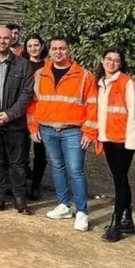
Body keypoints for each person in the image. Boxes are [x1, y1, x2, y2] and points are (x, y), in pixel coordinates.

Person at [28, 36, 98, 232]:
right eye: (54, 48)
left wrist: (89, 132)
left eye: (62, 48)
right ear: (49, 51)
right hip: (47, 129)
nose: (58, 52)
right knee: (57, 167)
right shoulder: (40, 74)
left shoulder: (84, 75)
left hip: (73, 131)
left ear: (69, 50)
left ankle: (82, 211)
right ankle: (64, 205)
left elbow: (93, 105)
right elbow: (33, 103)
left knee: (75, 170)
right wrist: (33, 127)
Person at [0, 27, 35, 215]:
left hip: (15, 123)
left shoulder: (23, 65)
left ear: (12, 40)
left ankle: (20, 198)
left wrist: (10, 114)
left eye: (6, 38)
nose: (2, 41)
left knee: (18, 163)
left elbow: (27, 93)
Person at [95, 48, 135, 242]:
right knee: (120, 178)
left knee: (119, 180)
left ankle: (116, 224)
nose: (112, 63)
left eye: (116, 60)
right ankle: (127, 219)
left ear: (121, 64)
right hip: (107, 138)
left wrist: (132, 142)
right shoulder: (101, 83)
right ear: (102, 60)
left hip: (123, 141)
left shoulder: (127, 83)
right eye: (109, 59)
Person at [24, 35, 49, 200]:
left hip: (41, 113)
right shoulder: (21, 64)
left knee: (40, 150)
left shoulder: (48, 66)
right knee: (21, 149)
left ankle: (36, 184)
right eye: (30, 46)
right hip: (22, 112)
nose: (33, 48)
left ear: (42, 46)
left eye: (36, 45)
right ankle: (20, 183)